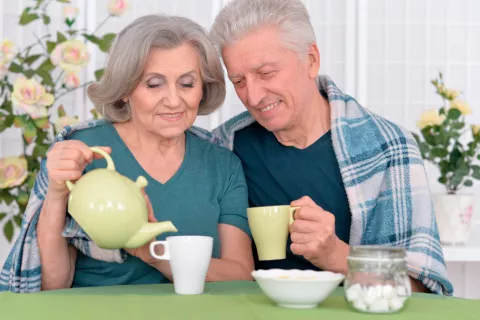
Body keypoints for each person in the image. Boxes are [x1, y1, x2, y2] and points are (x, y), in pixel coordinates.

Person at [208, 0, 453, 295]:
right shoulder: (223, 146)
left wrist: (336, 256)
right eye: (238, 80)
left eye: (266, 73)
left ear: (311, 60)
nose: (254, 95)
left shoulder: (389, 148)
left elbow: (423, 291)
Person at [0, 14, 253, 292]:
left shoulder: (222, 163)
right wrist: (57, 193)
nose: (173, 100)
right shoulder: (84, 151)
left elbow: (240, 275)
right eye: (154, 84)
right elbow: (51, 286)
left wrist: (153, 253)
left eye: (187, 84)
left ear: (203, 89)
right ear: (124, 90)